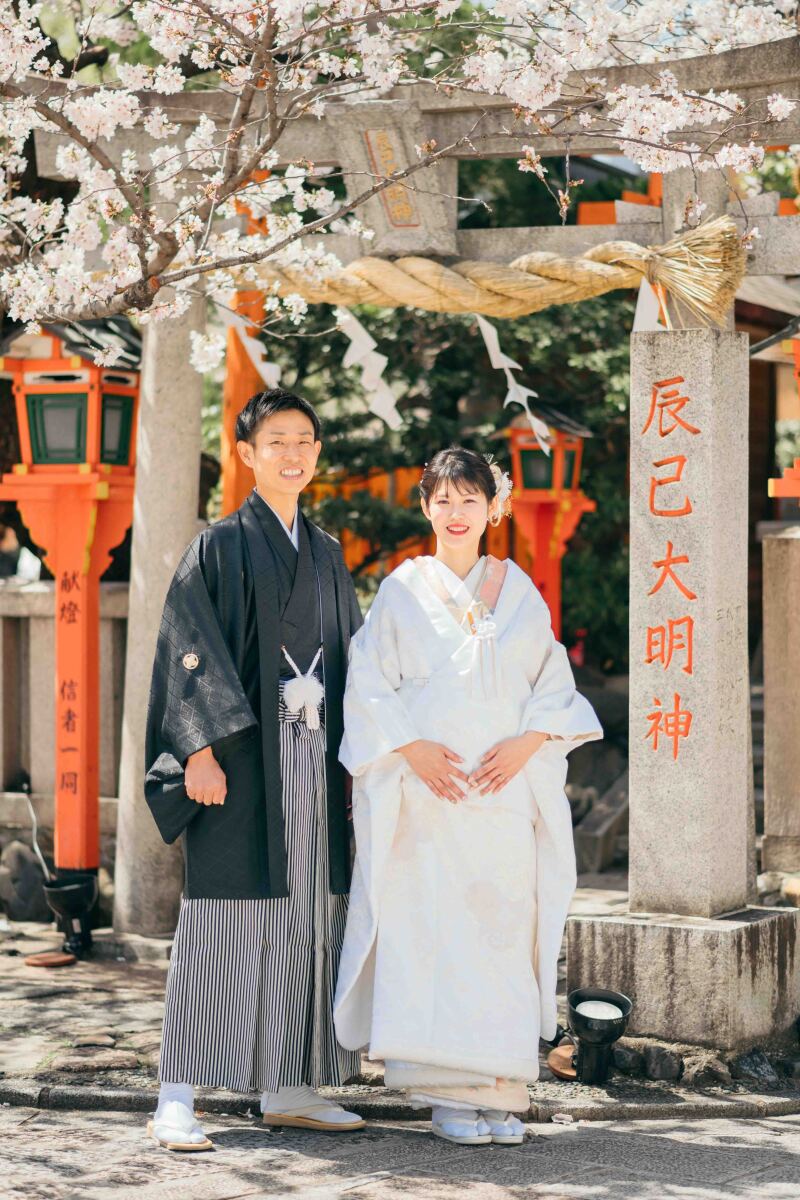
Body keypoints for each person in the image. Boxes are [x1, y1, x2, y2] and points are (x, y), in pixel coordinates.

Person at [334, 446, 602, 1146]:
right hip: (426, 800)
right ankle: (446, 1094)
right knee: (430, 937)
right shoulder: (401, 589)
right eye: (442, 500)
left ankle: (501, 1091)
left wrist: (530, 741)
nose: (455, 513)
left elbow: (553, 686)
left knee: (500, 937)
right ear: (425, 508)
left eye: (469, 500)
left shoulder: (518, 592)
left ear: (493, 508)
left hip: (503, 797)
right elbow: (366, 684)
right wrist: (410, 749)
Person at [144, 388, 365, 1152]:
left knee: (310, 914)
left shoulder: (330, 553)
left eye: (305, 438)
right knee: (224, 919)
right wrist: (197, 749)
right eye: (276, 440)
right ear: (245, 454)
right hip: (244, 762)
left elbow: (357, 661)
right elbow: (187, 648)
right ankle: (179, 1093)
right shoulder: (220, 546)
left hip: (316, 757)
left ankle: (291, 1085)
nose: (293, 453)